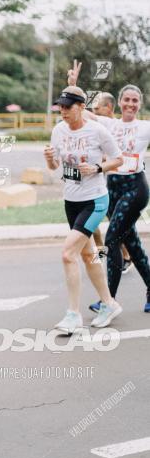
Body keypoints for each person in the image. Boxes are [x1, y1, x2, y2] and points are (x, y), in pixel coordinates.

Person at [68, 65, 150, 314]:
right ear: (120, 102)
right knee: (132, 243)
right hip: (112, 188)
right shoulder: (107, 124)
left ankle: (108, 301)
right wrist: (73, 84)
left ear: (140, 104)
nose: (131, 104)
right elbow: (78, 110)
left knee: (112, 239)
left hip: (135, 188)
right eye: (127, 99)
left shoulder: (145, 127)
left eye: (135, 100)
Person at [44, 86, 123, 333]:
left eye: (68, 107)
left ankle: (73, 314)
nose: (63, 111)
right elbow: (55, 165)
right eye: (61, 107)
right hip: (71, 201)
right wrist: (49, 158)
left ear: (80, 107)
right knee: (89, 256)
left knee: (68, 254)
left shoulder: (97, 130)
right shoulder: (58, 130)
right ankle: (109, 304)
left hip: (95, 201)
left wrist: (99, 168)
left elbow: (118, 159)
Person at [90, 91, 132, 273]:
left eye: (98, 107)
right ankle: (100, 256)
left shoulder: (117, 128)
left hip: (117, 187)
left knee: (116, 226)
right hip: (97, 186)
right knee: (92, 223)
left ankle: (127, 256)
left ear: (109, 108)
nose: (95, 110)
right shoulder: (95, 128)